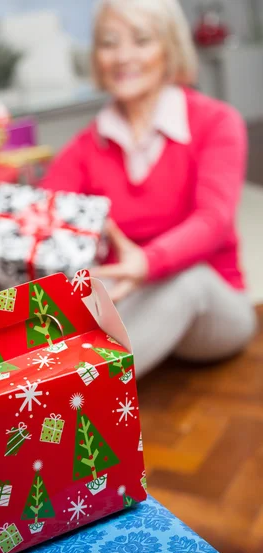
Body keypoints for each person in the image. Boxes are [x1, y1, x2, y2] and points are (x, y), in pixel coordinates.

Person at [41, 0, 257, 377]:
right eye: (109, 43)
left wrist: (148, 262)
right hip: (130, 307)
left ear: (170, 48)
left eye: (142, 40)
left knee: (187, 281)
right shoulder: (82, 149)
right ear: (97, 56)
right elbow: (42, 223)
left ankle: (76, 397)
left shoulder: (217, 122)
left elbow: (214, 220)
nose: (123, 56)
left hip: (215, 308)